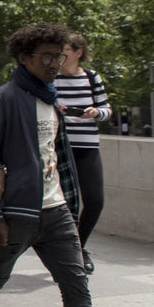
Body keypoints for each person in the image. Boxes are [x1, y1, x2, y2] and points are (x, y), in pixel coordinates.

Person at [0, 24, 151, 307]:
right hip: (17, 213)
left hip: (57, 209)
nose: (55, 63)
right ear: (24, 58)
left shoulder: (51, 98)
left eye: (59, 56)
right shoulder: (4, 98)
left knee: (76, 286)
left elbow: (51, 154)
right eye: (47, 57)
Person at [56, 32, 111, 274]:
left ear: (78, 52)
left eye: (65, 50)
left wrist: (96, 112)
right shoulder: (52, 78)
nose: (60, 55)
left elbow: (106, 109)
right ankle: (68, 252)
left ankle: (79, 246)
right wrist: (55, 108)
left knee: (95, 201)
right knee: (66, 204)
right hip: (61, 148)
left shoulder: (91, 77)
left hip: (88, 146)